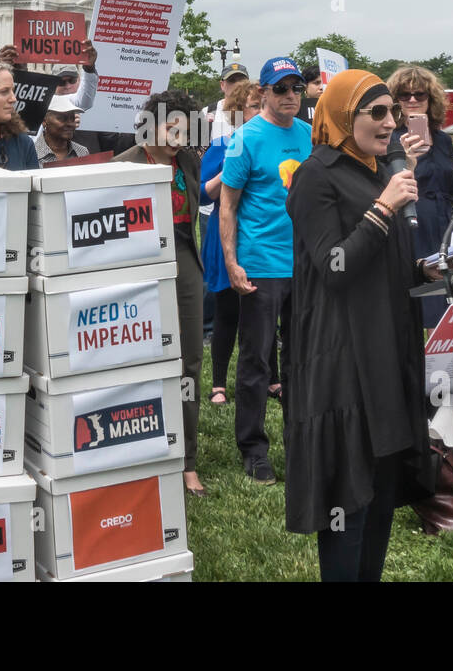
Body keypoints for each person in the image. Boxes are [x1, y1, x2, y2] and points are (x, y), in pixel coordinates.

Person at [285, 68, 435, 581]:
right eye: (378, 112)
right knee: (350, 499)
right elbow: (335, 267)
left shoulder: (378, 173)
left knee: (382, 491)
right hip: (343, 361)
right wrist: (382, 208)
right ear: (344, 117)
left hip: (388, 353)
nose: (391, 121)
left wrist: (425, 268)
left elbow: (381, 265)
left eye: (392, 111)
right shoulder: (315, 176)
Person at [219, 56, 313, 484]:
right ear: (263, 92)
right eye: (281, 88)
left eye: (296, 87)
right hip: (261, 263)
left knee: (301, 357)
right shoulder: (245, 138)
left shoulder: (312, 136)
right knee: (257, 359)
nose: (290, 95)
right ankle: (254, 448)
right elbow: (228, 204)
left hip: (305, 265)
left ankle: (301, 440)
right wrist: (232, 262)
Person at [115, 91, 206, 498]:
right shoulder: (122, 166)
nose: (177, 140)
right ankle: (138, 452)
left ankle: (187, 461)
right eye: (171, 130)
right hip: (136, 271)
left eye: (184, 133)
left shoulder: (189, 162)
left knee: (189, 362)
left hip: (184, 263)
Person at [200, 81, 263, 407]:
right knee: (227, 311)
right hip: (227, 235)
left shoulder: (271, 143)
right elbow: (203, 193)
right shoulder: (223, 145)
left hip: (262, 236)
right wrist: (229, 171)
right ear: (238, 113)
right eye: (254, 106)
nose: (260, 111)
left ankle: (272, 378)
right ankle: (219, 383)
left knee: (264, 313)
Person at [387, 65, 453, 329]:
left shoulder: (443, 140)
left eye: (420, 94)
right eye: (405, 95)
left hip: (444, 229)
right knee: (416, 310)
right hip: (410, 227)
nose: (413, 100)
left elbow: (451, 187)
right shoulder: (388, 140)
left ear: (431, 99)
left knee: (447, 308)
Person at [34, 96, 90, 163]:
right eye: (62, 118)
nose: (70, 124)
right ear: (44, 121)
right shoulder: (30, 153)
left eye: (72, 118)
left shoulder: (82, 152)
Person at [208, 60, 250, 142]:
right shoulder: (207, 112)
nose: (237, 84)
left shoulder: (257, 112)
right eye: (232, 80)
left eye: (241, 80)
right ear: (222, 85)